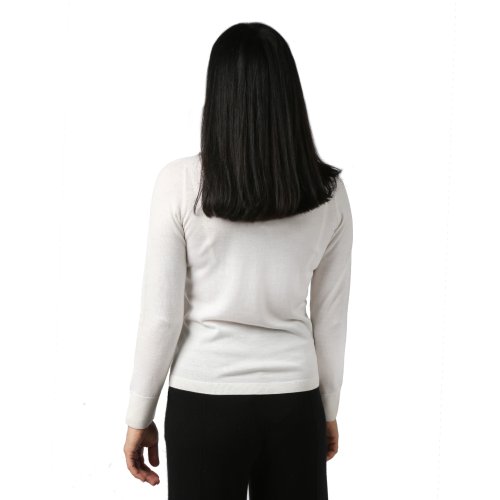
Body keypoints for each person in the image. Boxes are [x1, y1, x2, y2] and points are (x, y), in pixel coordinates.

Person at [123, 21, 353, 500]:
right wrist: (328, 408)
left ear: (219, 94)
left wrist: (139, 415)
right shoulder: (328, 192)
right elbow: (330, 319)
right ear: (289, 95)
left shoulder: (179, 183)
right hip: (294, 404)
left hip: (203, 404)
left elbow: (162, 317)